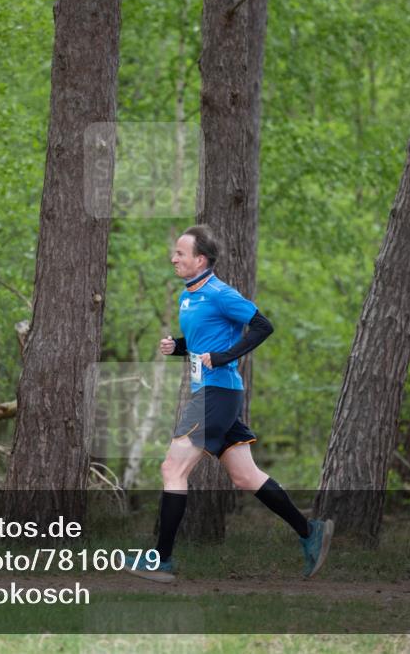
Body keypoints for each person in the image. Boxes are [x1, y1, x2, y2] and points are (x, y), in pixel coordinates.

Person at [126, 225, 333, 583]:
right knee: (245, 476)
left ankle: (161, 560)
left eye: (180, 253)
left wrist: (225, 357)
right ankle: (309, 532)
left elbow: (263, 326)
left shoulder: (221, 293)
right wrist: (178, 347)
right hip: (213, 394)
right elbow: (204, 341)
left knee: (172, 469)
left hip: (216, 393)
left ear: (201, 260)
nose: (173, 258)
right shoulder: (189, 295)